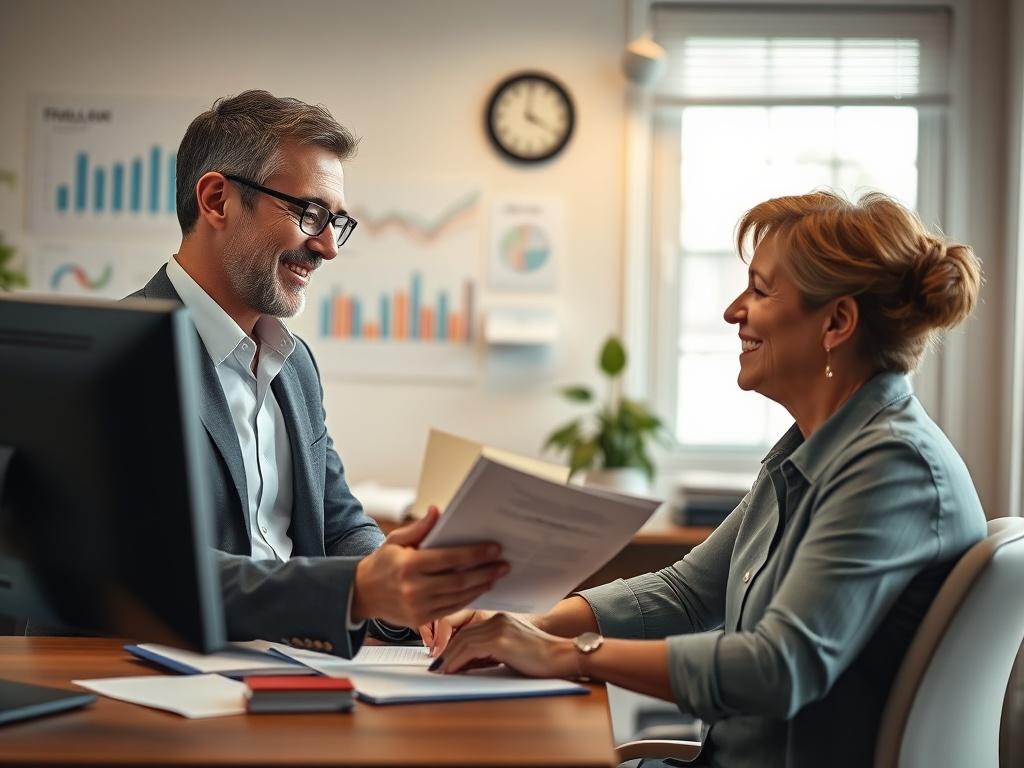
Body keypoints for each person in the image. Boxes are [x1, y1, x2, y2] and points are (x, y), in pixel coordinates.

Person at [422, 190, 987, 767]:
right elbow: (688, 594)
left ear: (837, 322)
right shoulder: (818, 451)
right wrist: (530, 625)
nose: (733, 311)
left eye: (761, 291)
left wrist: (571, 655)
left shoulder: (892, 470)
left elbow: (777, 668)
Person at [129, 90, 507, 657]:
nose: (328, 247)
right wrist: (354, 591)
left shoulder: (294, 363)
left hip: (295, 667)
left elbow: (338, 523)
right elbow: (144, 569)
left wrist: (415, 591)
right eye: (310, 213)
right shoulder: (122, 355)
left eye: (337, 222)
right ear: (217, 200)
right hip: (170, 678)